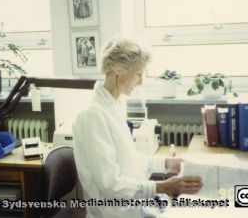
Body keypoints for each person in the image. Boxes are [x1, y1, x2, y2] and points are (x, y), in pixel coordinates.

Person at [73, 36, 203, 217]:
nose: (141, 81)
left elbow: (129, 161)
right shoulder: (92, 115)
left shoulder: (116, 105)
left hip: (135, 208)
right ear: (118, 69)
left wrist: (166, 163)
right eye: (139, 74)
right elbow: (111, 185)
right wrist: (164, 187)